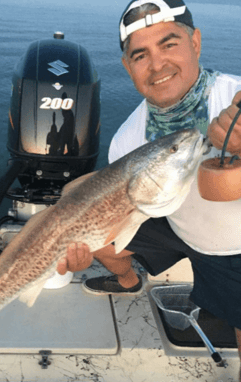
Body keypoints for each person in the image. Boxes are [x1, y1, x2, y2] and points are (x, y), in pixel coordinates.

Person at [57, 0, 241, 378]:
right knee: (95, 235)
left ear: (196, 43)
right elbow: (111, 214)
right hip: (173, 224)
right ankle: (128, 280)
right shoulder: (127, 140)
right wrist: (74, 247)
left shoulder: (235, 100)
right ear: (127, 66)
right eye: (140, 55)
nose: (157, 65)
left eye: (169, 44)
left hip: (235, 248)